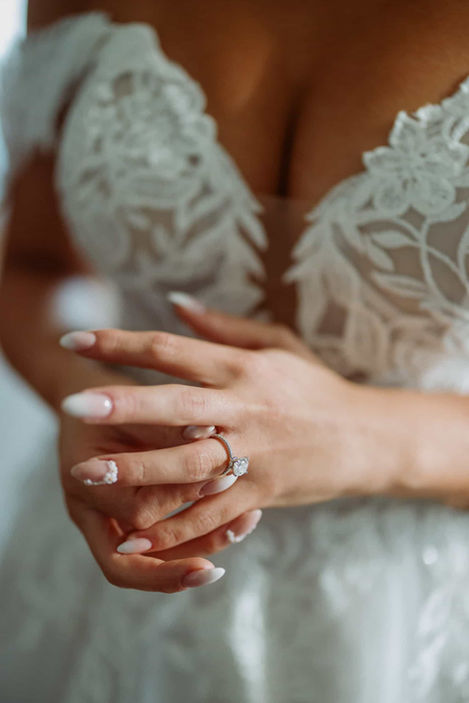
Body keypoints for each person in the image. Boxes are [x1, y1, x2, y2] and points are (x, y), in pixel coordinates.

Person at [2, 1, 469, 700]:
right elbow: (35, 264)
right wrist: (82, 392)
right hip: (112, 566)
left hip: (409, 608)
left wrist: (359, 435)